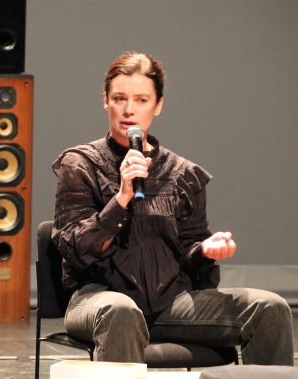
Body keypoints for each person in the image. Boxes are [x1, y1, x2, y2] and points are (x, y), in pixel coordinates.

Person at [51, 52, 294, 365]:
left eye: (141, 99)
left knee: (270, 307)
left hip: (172, 304)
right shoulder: (80, 164)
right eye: (120, 98)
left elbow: (194, 265)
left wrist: (205, 251)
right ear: (106, 102)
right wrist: (122, 197)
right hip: (99, 300)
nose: (129, 109)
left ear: (158, 105)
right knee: (121, 311)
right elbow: (75, 249)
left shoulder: (183, 174)